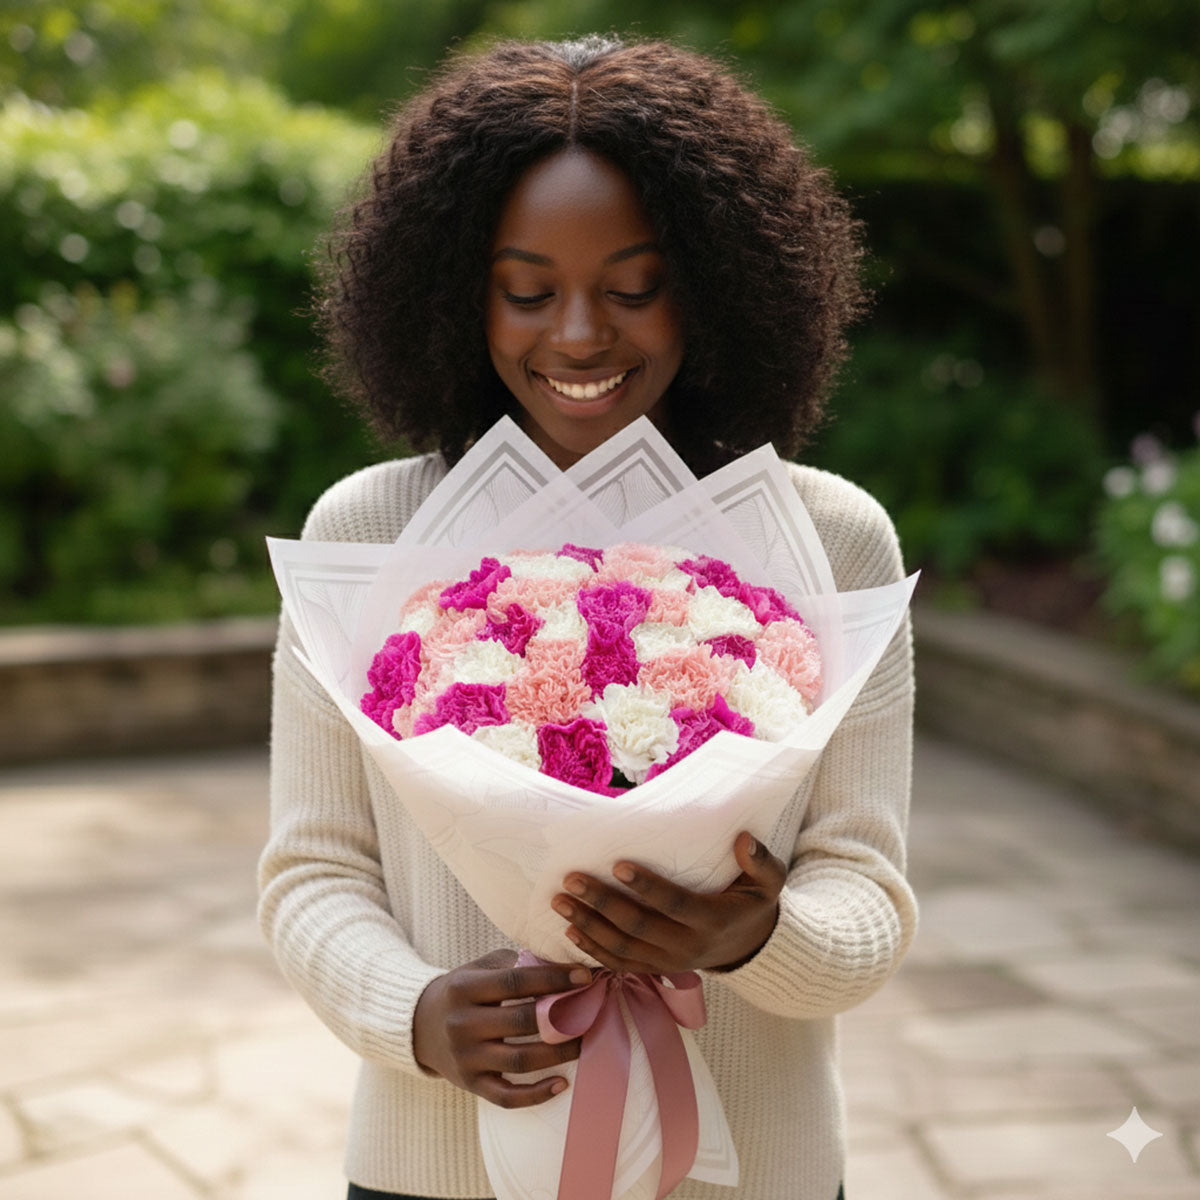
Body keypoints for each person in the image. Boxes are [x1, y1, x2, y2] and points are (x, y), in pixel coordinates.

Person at [259, 34, 915, 1200]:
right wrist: (414, 1014)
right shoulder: (365, 536)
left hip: (755, 1172)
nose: (576, 335)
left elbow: (868, 900)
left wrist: (753, 938)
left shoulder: (833, 540)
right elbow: (312, 873)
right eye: (526, 290)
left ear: (714, 284)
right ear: (458, 292)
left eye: (631, 287)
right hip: (434, 1168)